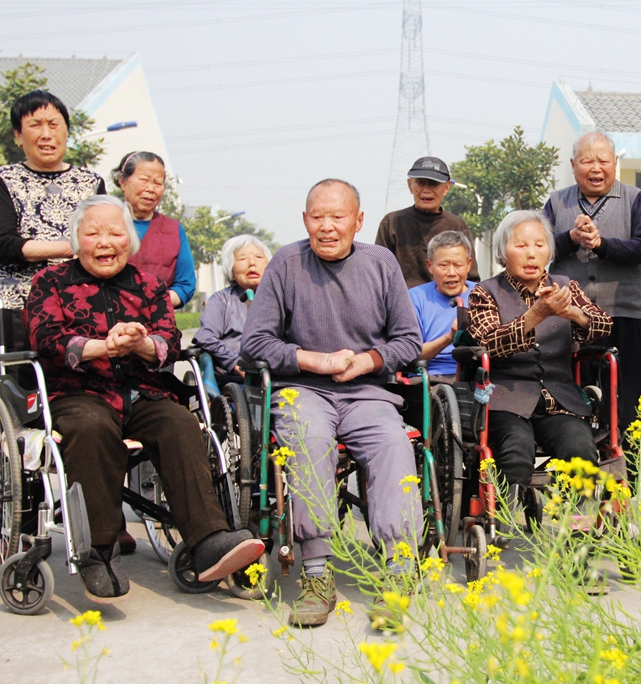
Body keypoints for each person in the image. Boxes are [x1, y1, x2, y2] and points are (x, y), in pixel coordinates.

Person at [25, 195, 264, 603]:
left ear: (130, 240)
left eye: (115, 232)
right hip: (77, 391)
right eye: (93, 233)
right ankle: (99, 549)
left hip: (141, 390)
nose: (105, 242)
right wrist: (102, 347)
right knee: (91, 427)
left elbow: (169, 341)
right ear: (76, 240)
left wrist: (142, 344)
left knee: (181, 424)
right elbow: (46, 339)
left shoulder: (149, 285)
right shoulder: (50, 282)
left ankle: (209, 539)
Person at [241, 179, 423, 627]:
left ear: (358, 221)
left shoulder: (381, 263)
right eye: (317, 217)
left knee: (393, 445)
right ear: (305, 220)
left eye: (337, 217)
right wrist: (313, 360)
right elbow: (254, 343)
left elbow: (408, 341)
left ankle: (399, 570)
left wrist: (367, 361)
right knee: (309, 440)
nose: (327, 226)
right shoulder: (285, 264)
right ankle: (317, 573)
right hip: (303, 390)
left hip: (367, 391)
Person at [467, 211, 612, 510]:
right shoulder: (485, 293)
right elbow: (487, 343)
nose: (531, 253)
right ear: (502, 252)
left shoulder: (565, 287)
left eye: (539, 244)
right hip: (506, 399)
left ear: (549, 250)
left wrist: (574, 313)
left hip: (560, 398)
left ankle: (577, 523)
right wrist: (534, 316)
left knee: (580, 448)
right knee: (516, 450)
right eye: (521, 245)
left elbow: (604, 326)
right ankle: (505, 521)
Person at [543, 131, 641, 489]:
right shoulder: (556, 202)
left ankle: (623, 488)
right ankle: (575, 484)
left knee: (625, 404)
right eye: (587, 161)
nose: (596, 168)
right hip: (568, 319)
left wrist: (603, 244)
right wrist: (570, 239)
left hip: (623, 316)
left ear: (614, 163)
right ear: (573, 165)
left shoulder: (634, 198)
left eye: (603, 160)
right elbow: (537, 249)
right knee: (571, 399)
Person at [0, 90, 105, 376]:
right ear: (18, 136)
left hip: (85, 299)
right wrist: (72, 247)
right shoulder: (2, 180)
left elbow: (106, 238)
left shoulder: (91, 183)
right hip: (22, 300)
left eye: (54, 124)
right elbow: (4, 245)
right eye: (35, 125)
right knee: (27, 384)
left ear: (67, 132)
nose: (46, 134)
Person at [375, 156, 480, 288]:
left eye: (433, 184)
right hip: (403, 298)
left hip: (448, 298)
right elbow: (378, 272)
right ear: (410, 185)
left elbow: (471, 278)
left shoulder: (457, 226)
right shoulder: (392, 223)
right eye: (420, 183)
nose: (426, 190)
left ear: (446, 187)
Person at [112, 151, 197, 308]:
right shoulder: (105, 223)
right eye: (144, 180)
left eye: (158, 183)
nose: (151, 189)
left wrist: (156, 302)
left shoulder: (173, 230)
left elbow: (185, 285)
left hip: (157, 317)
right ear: (122, 182)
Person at [193, 234, 272, 394]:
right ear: (231, 269)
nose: (252, 263)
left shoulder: (279, 299)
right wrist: (236, 364)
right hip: (233, 381)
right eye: (242, 258)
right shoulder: (221, 300)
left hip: (275, 377)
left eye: (259, 257)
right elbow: (205, 337)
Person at [408, 230, 476, 382]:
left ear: (469, 264)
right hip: (429, 376)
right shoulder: (414, 298)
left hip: (474, 375)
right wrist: (450, 337)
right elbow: (408, 353)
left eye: (458, 265)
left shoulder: (483, 294)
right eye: (443, 265)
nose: (451, 272)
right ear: (430, 266)